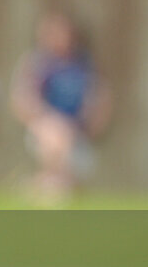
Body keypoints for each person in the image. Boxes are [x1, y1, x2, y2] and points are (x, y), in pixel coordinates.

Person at [9, 12, 111, 200]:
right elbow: (22, 100)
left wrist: (83, 128)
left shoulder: (86, 66)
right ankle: (52, 182)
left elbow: (101, 105)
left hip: (78, 135)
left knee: (68, 176)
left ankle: (43, 184)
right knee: (55, 135)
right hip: (46, 131)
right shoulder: (37, 64)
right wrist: (47, 120)